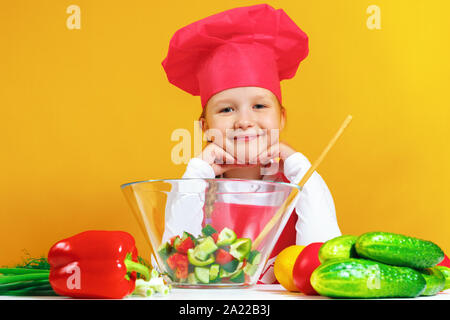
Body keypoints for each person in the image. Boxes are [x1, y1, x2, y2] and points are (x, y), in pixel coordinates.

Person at [161, 3, 341, 284]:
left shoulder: (296, 187)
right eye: (226, 110)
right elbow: (176, 266)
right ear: (205, 127)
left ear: (281, 119)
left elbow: (323, 264)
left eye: (259, 106)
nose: (244, 121)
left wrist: (299, 167)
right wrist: (196, 173)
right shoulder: (197, 190)